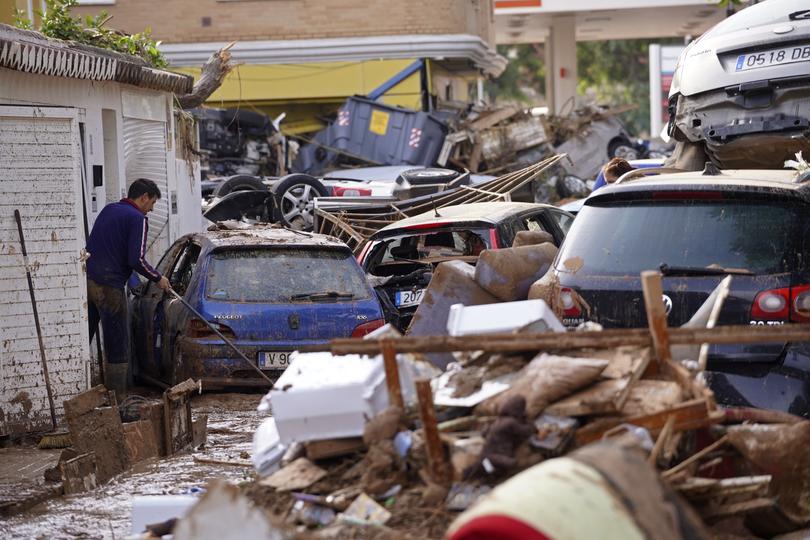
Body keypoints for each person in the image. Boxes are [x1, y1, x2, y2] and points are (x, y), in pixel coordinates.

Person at [86, 178, 171, 395]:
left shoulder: (108, 210)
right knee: (118, 343)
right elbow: (136, 259)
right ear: (143, 197)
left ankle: (74, 390)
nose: (151, 210)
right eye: (152, 203)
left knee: (83, 336)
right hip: (110, 287)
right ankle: (119, 401)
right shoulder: (138, 219)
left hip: (88, 281)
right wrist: (158, 278)